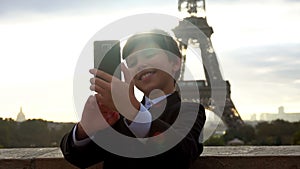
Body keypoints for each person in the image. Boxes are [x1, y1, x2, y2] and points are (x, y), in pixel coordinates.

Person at [60, 29, 206, 169]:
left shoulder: (191, 111)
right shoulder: (118, 116)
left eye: (149, 55)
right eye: (132, 63)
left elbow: (182, 156)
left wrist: (134, 113)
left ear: (175, 62)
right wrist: (84, 130)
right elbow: (79, 158)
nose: (140, 64)